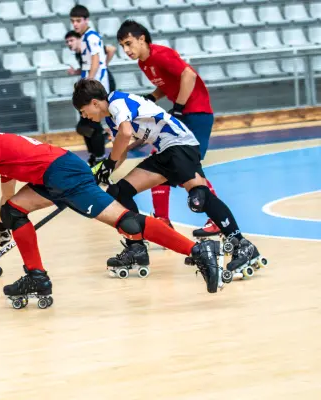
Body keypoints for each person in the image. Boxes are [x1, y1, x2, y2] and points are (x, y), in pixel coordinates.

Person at [0, 108, 225, 310]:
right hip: (55, 173)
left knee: (128, 223)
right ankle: (36, 277)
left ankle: (199, 251)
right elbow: (8, 199)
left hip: (64, 175)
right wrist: (0, 228)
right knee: (15, 210)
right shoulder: (3, 144)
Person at [71, 79, 264, 282]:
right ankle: (136, 248)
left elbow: (126, 135)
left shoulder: (116, 102)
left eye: (83, 111)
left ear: (94, 103)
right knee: (120, 192)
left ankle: (243, 245)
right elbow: (123, 150)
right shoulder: (112, 119)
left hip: (181, 146)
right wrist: (101, 173)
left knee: (199, 198)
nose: (84, 116)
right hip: (165, 152)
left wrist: (108, 164)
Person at [117, 20, 221, 237]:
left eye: (128, 43)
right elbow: (169, 82)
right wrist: (153, 96)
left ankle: (218, 219)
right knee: (163, 160)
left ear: (142, 39)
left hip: (197, 113)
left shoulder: (161, 54)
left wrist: (179, 108)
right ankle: (163, 221)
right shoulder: (144, 63)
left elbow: (188, 75)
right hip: (185, 114)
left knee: (189, 168)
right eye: (123, 46)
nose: (126, 50)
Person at [68, 5, 112, 167]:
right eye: (73, 21)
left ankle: (100, 159)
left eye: (78, 21)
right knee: (86, 125)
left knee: (89, 124)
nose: (75, 24)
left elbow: (96, 60)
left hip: (94, 87)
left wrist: (90, 81)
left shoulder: (91, 37)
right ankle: (95, 155)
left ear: (86, 20)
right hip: (89, 83)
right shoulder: (85, 37)